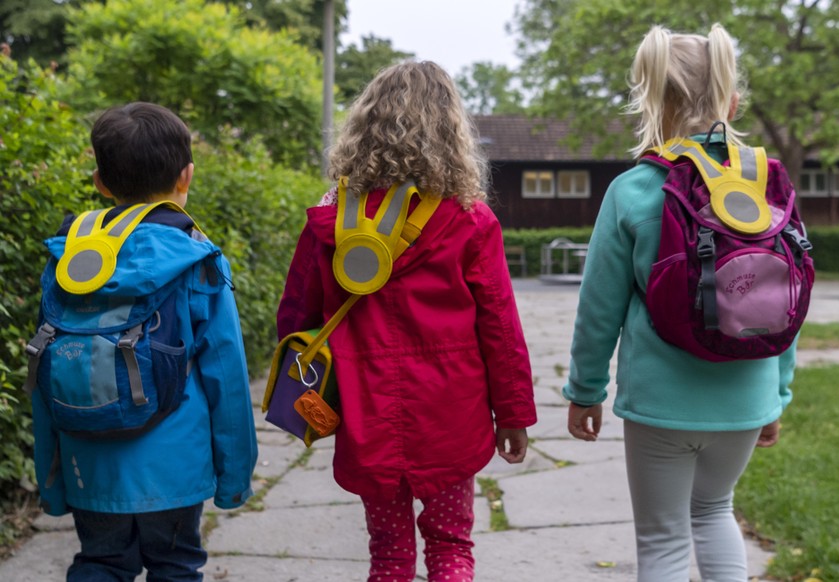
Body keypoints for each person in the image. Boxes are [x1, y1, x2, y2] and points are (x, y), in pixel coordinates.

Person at [277, 61, 537, 582]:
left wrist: (300, 391)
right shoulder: (469, 219)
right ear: (450, 131)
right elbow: (500, 329)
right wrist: (513, 414)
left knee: (390, 556)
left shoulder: (332, 217)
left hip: (364, 408)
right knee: (451, 547)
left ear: (365, 127)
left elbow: (296, 317)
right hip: (450, 414)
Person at [564, 24, 795, 582]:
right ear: (732, 101)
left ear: (650, 102)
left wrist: (585, 391)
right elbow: (785, 294)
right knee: (716, 512)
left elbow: (599, 307)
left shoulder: (634, 190)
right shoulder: (766, 187)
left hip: (660, 401)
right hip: (746, 394)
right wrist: (778, 392)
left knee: (663, 539)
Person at [30, 102, 258, 581]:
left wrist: (51, 482)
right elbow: (228, 375)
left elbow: (43, 369)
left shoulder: (70, 259)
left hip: (86, 462)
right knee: (175, 566)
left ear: (100, 182)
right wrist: (234, 478)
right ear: (186, 177)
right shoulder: (196, 258)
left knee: (99, 564)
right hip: (175, 468)